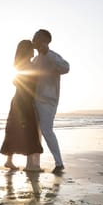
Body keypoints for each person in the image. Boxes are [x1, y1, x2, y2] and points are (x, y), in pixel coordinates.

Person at [0, 40, 43, 171]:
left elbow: (15, 81)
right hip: (25, 101)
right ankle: (30, 164)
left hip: (17, 99)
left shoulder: (18, 65)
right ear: (27, 50)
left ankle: (9, 161)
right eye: (31, 48)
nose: (34, 51)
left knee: (13, 129)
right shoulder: (30, 66)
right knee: (29, 130)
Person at [32, 29, 70, 174]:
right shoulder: (35, 60)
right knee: (36, 132)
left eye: (37, 38)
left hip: (48, 101)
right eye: (34, 37)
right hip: (34, 99)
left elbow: (66, 68)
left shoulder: (52, 56)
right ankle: (35, 164)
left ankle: (59, 163)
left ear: (45, 41)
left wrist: (47, 52)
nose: (34, 39)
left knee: (47, 130)